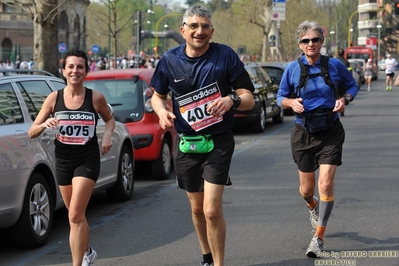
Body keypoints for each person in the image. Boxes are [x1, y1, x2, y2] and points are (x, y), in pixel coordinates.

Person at [150, 5, 255, 266]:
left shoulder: (225, 56)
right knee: (197, 209)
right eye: (194, 26)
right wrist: (162, 113)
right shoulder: (170, 60)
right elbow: (157, 96)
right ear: (183, 30)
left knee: (211, 209)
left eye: (205, 26)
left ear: (212, 31)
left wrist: (231, 100)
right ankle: (207, 257)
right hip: (187, 143)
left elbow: (249, 98)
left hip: (218, 141)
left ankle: (219, 264)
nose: (200, 31)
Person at [277, 20, 358, 258]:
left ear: (321, 41)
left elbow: (352, 86)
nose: (310, 44)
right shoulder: (292, 69)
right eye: (305, 41)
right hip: (303, 133)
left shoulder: (335, 65)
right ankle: (312, 206)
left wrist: (345, 100)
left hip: (331, 131)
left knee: (325, 185)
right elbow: (280, 97)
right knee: (306, 189)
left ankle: (318, 238)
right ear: (300, 45)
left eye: (315, 39)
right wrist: (291, 102)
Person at [28, 47, 115, 266]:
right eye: (71, 67)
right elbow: (32, 131)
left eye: (80, 67)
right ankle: (88, 251)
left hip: (87, 159)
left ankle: (78, 263)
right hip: (63, 160)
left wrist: (107, 136)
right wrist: (44, 124)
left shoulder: (95, 98)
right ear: (63, 71)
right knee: (75, 216)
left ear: (86, 71)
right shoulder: (53, 98)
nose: (75, 71)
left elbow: (110, 120)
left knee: (75, 215)